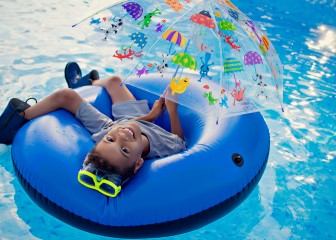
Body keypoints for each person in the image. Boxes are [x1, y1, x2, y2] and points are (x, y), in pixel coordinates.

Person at [0, 62, 186, 197]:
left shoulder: (115, 134)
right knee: (114, 81)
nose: (122, 138)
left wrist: (143, 120)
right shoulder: (166, 147)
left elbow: (123, 130)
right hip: (136, 121)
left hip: (111, 126)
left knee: (71, 94)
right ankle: (86, 85)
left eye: (112, 142)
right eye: (124, 149)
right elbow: (179, 140)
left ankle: (22, 117)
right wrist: (171, 110)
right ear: (138, 163)